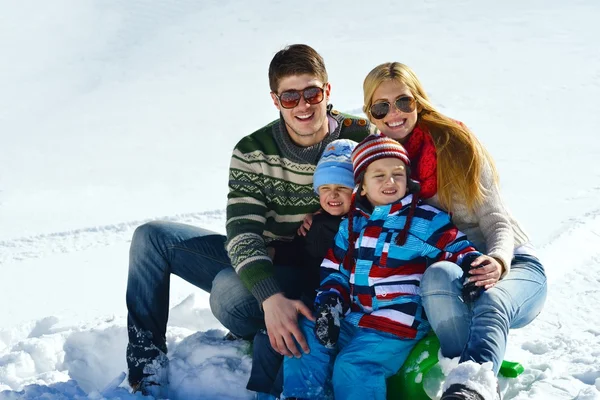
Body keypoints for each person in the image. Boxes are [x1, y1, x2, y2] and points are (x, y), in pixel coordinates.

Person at [125, 44, 371, 397]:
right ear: (275, 100)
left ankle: (266, 324)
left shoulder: (359, 137)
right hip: (265, 261)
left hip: (323, 268)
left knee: (229, 294)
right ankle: (146, 366)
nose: (303, 104)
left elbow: (392, 187)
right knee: (151, 238)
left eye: (312, 92)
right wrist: (270, 299)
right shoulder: (252, 150)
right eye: (290, 96)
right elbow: (242, 233)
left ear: (327, 91)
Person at [362, 62, 547, 399]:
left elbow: (496, 219)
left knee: (491, 298)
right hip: (454, 268)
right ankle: (463, 367)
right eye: (381, 106)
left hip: (511, 261)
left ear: (418, 101)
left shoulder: (454, 144)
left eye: (404, 102)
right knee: (435, 276)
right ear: (370, 114)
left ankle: (471, 388)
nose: (394, 114)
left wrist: (499, 261)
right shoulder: (378, 164)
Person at [282, 134, 483, 400]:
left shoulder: (423, 219)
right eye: (379, 175)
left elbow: (458, 248)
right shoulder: (351, 225)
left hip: (394, 325)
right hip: (352, 317)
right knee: (306, 337)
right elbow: (335, 270)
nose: (390, 181)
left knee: (353, 366)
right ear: (361, 187)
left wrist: (472, 267)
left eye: (397, 174)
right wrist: (331, 302)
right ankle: (304, 395)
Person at [247, 139, 358, 400]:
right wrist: (274, 252)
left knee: (301, 339)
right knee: (270, 335)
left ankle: (290, 390)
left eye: (342, 188)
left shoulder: (361, 225)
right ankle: (262, 393)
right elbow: (300, 253)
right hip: (311, 295)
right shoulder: (316, 222)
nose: (333, 195)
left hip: (340, 303)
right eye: (326, 188)